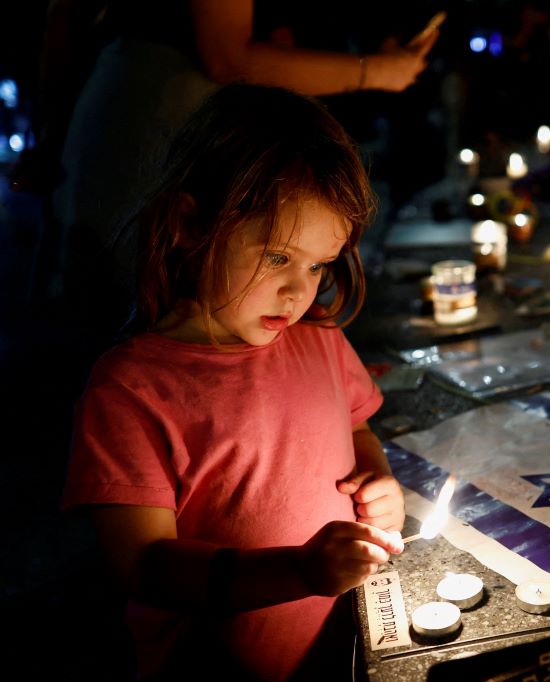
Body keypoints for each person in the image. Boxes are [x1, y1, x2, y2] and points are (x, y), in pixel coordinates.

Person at [61, 83, 406, 680]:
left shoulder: (319, 336)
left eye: (318, 264)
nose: (300, 291)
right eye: (277, 257)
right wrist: (296, 571)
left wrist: (378, 478)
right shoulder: (132, 390)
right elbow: (142, 565)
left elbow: (356, 423)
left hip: (343, 656)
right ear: (193, 223)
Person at [33, 0, 439, 344]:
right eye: (280, 258)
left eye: (319, 266)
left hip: (198, 111)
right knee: (129, 309)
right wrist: (378, 71)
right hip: (166, 115)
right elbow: (228, 56)